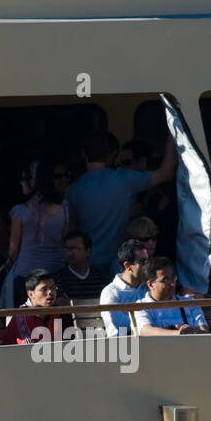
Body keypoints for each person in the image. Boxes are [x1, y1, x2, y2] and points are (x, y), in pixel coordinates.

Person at [66, 131, 176, 267]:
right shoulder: (124, 179)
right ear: (111, 154)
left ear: (83, 154)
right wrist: (173, 135)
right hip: (119, 263)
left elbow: (70, 230)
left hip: (88, 264)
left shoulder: (73, 189)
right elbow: (165, 174)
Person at [1, 158, 69, 308]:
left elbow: (13, 250)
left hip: (26, 274)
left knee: (27, 321)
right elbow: (65, 241)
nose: (22, 182)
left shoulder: (20, 211)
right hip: (56, 273)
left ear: (35, 181)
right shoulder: (64, 208)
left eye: (27, 178)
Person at [52, 230, 110, 330]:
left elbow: (108, 302)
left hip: (101, 330)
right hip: (70, 332)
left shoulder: (101, 275)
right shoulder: (58, 277)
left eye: (75, 249)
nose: (69, 253)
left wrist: (73, 303)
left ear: (88, 251)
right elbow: (62, 303)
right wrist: (95, 304)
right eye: (66, 249)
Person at [135, 257, 207, 336]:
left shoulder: (189, 303)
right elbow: (146, 330)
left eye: (173, 278)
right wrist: (178, 333)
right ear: (150, 284)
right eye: (165, 280)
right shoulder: (140, 306)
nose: (172, 283)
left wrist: (190, 332)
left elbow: (204, 329)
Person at [1, 270, 69, 345]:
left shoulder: (55, 314)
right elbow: (29, 350)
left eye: (53, 288)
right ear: (30, 294)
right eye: (44, 289)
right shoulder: (21, 316)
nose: (50, 292)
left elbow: (59, 345)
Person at [101, 240, 148, 334]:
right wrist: (148, 322)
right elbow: (119, 326)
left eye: (148, 261)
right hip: (121, 345)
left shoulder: (149, 287)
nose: (148, 265)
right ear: (127, 266)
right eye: (143, 261)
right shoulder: (110, 292)